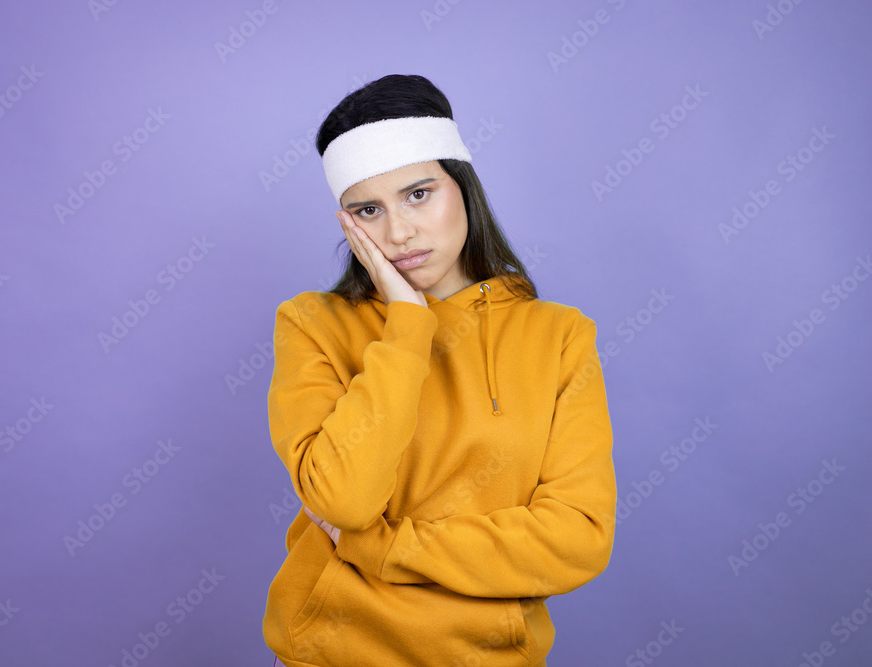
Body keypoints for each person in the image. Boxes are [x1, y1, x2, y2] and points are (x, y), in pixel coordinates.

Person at [262, 73, 616, 667]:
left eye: (419, 194)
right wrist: (407, 322)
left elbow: (577, 540)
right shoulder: (312, 323)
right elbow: (344, 501)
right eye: (367, 210)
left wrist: (383, 548)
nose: (398, 233)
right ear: (346, 222)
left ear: (463, 188)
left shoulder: (559, 336)